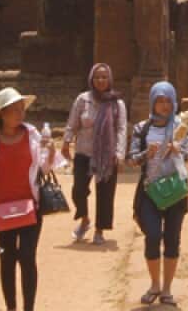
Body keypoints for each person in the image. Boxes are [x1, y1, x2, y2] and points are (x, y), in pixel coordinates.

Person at [0, 88, 55, 311]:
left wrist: (50, 154)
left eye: (21, 109)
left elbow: (42, 168)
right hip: (0, 211)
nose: (19, 114)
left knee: (27, 257)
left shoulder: (34, 134)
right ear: (2, 114)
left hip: (30, 207)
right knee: (6, 260)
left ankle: (28, 308)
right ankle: (11, 308)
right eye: (14, 110)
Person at [128, 82, 188, 307]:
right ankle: (154, 284)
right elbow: (131, 159)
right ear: (153, 102)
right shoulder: (141, 128)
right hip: (150, 191)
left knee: (173, 238)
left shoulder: (183, 127)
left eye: (168, 101)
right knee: (153, 235)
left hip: (175, 191)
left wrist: (179, 150)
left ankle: (167, 289)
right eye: (160, 101)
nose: (164, 106)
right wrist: (148, 152)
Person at [62, 63, 127, 246]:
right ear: (91, 79)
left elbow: (121, 129)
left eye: (104, 77)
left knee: (105, 194)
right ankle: (84, 219)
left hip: (107, 155)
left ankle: (100, 230)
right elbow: (73, 122)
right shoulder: (83, 100)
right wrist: (66, 141)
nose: (100, 80)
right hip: (84, 151)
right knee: (78, 191)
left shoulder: (117, 103)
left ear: (110, 80)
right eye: (97, 77)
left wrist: (119, 153)